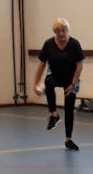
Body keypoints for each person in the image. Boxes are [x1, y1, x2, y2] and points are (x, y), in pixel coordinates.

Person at [33, 18, 85, 151]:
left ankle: (68, 139)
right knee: (48, 82)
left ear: (67, 30)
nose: (61, 34)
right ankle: (54, 114)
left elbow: (79, 65)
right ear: (54, 32)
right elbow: (41, 65)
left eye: (63, 31)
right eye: (58, 31)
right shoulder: (48, 44)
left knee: (69, 108)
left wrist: (73, 84)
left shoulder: (74, 44)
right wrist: (36, 83)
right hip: (55, 76)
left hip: (71, 79)